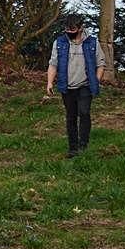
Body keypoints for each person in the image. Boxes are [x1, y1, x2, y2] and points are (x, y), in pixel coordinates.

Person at [45, 14, 107, 158]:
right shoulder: (59, 43)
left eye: (73, 30)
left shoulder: (92, 42)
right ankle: (73, 149)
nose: (69, 32)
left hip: (85, 86)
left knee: (84, 113)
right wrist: (49, 82)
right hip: (67, 87)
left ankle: (83, 146)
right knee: (71, 117)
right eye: (67, 29)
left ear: (80, 28)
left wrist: (96, 81)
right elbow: (53, 64)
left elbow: (101, 64)